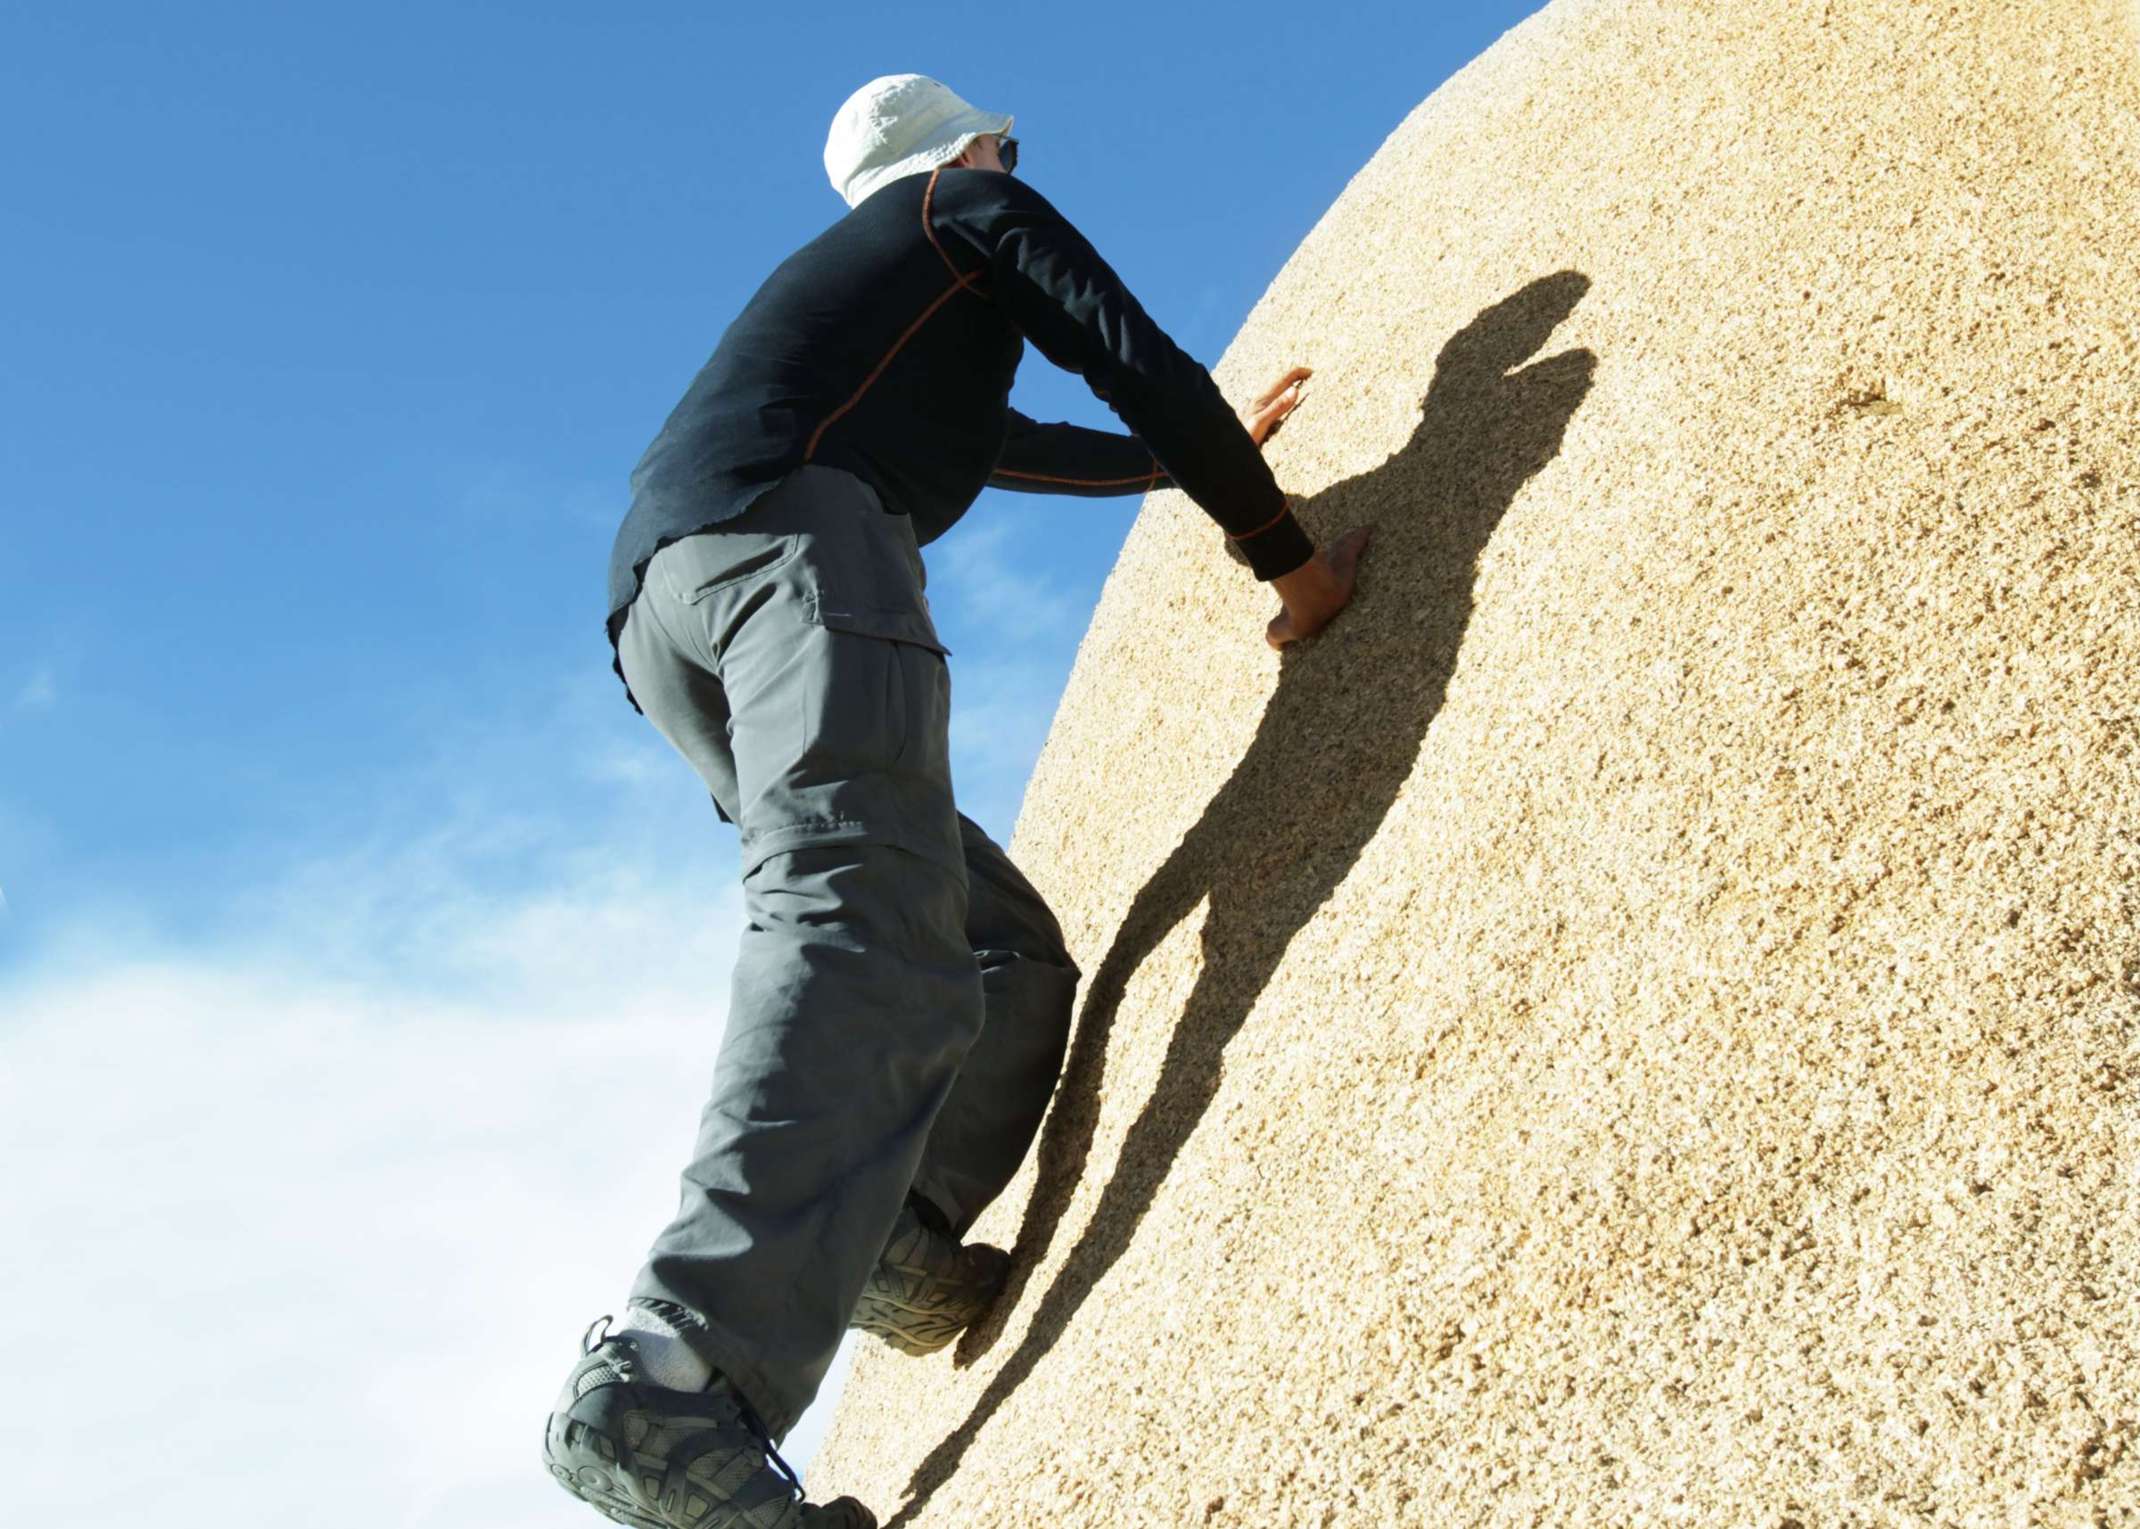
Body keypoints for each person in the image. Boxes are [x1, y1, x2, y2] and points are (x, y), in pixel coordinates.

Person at [542, 73, 1370, 1529]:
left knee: (995, 946)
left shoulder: (863, 312)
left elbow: (1016, 442)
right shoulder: (966, 204)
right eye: (1008, 145)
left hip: (658, 610)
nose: (1013, 161)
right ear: (969, 147)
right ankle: (670, 1370)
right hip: (786, 546)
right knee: (851, 909)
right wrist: (1287, 558)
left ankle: (901, 1233)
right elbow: (1132, 359)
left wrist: (1182, 457)